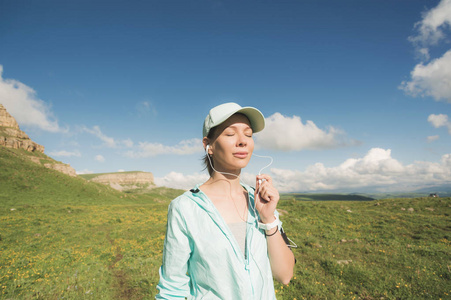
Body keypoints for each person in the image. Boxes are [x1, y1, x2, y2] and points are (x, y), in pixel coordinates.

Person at [156, 102, 295, 299]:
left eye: (248, 134)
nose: (242, 141)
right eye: (230, 134)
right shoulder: (185, 208)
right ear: (208, 146)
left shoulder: (261, 202)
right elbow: (172, 288)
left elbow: (285, 275)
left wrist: (268, 218)